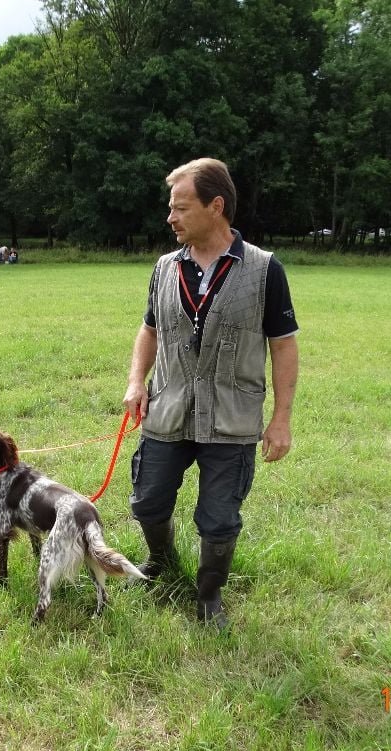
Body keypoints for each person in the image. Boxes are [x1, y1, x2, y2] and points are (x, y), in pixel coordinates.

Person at [122, 158, 299, 630]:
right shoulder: (164, 268)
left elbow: (283, 345)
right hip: (169, 410)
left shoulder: (264, 269)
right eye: (171, 208)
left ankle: (209, 595)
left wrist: (281, 419)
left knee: (219, 518)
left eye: (180, 208)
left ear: (215, 206)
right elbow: (149, 329)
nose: (170, 218)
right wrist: (136, 381)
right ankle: (161, 560)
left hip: (230, 419)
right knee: (147, 501)